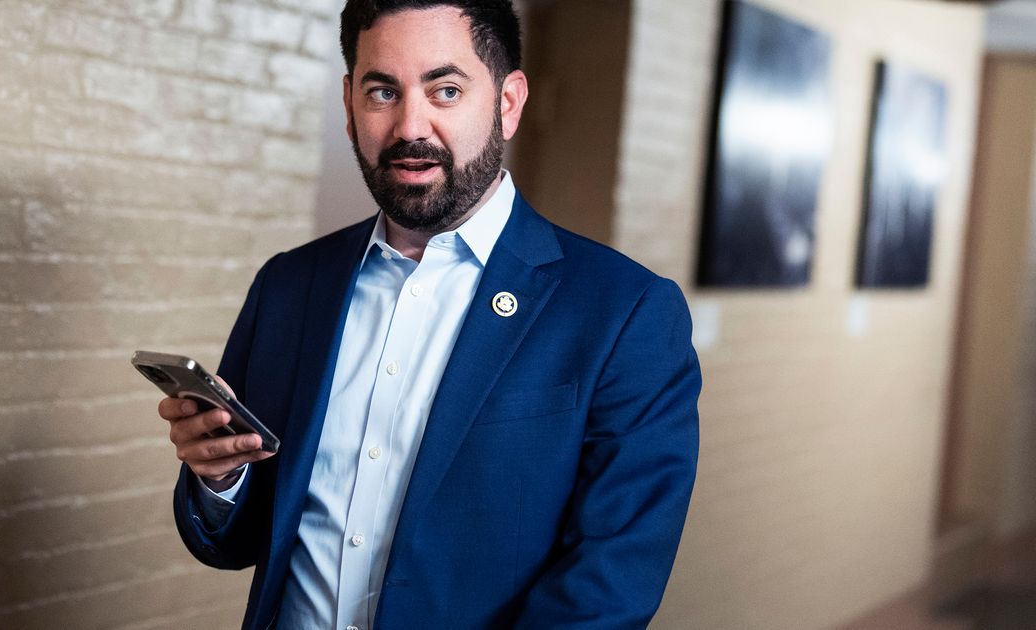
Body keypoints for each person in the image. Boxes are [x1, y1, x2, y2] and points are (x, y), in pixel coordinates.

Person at [158, 1, 701, 628]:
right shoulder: (288, 286)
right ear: (348, 104)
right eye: (382, 91)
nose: (410, 125)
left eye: (445, 90)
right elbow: (235, 541)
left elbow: (612, 584)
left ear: (508, 101)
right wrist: (219, 478)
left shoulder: (625, 313)